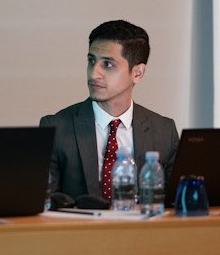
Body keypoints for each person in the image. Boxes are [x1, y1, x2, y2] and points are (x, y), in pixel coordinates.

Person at [40, 20, 178, 200]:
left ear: (138, 73)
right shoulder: (56, 127)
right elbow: (45, 204)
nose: (93, 74)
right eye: (91, 61)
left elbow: (173, 205)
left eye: (108, 64)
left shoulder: (164, 131)